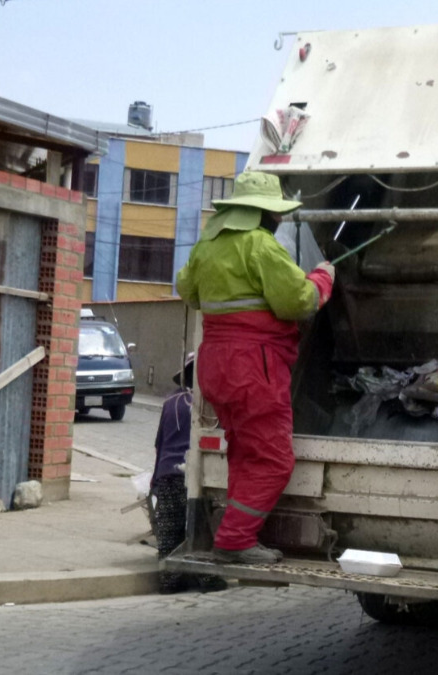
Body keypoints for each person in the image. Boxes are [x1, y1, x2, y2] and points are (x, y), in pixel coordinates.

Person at [176, 171, 335, 565]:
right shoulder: (261, 246)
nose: (279, 220)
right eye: (276, 214)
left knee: (245, 454)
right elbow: (297, 303)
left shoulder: (207, 247)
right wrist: (321, 279)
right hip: (254, 368)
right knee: (274, 459)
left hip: (214, 365)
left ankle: (235, 534)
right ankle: (234, 538)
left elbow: (187, 290)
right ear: (267, 215)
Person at [151, 353, 225, 593]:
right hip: (195, 477)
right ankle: (208, 579)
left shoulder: (170, 402)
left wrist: (155, 480)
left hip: (166, 474)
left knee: (169, 532)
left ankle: (169, 581)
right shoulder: (210, 405)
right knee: (199, 531)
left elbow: (159, 445)